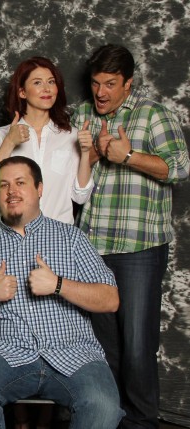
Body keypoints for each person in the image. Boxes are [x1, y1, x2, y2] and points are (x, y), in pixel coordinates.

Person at [71, 44, 190, 428]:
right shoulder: (83, 115)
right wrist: (92, 152)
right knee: (102, 347)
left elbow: (180, 167)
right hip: (92, 247)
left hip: (139, 247)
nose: (100, 92)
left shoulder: (153, 114)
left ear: (128, 84)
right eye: (96, 83)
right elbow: (68, 171)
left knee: (137, 346)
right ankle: (109, 419)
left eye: (110, 84)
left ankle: (141, 423)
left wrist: (128, 156)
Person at [0, 156, 124, 429]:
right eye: (4, 185)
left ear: (39, 189)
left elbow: (111, 299)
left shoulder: (72, 238)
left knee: (103, 405)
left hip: (73, 352)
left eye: (20, 183)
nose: (11, 191)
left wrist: (58, 285)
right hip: (7, 352)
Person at [0, 56, 94, 224]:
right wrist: (9, 142)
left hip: (58, 234)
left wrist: (85, 153)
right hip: (15, 235)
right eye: (37, 83)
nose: (47, 89)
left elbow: (80, 196)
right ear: (22, 92)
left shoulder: (71, 136)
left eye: (51, 82)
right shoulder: (2, 134)